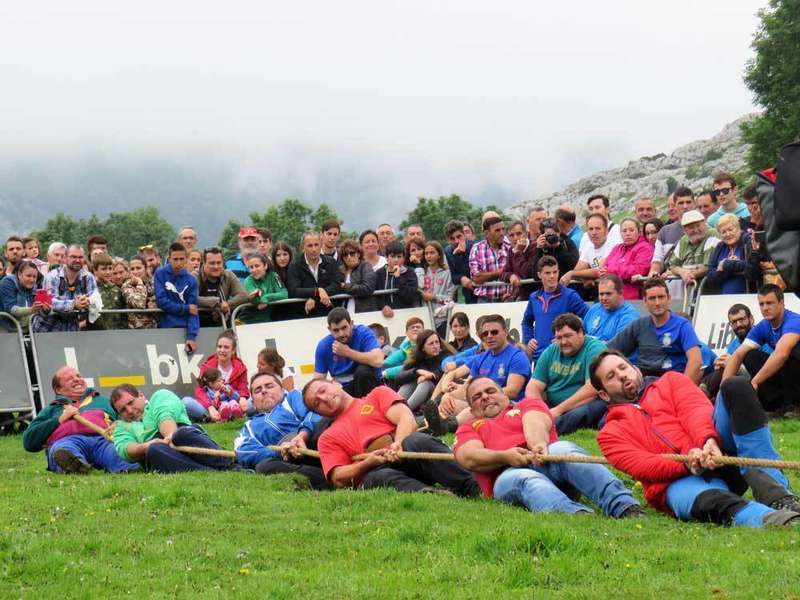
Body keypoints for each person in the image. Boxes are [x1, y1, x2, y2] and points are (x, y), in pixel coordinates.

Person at [591, 350, 800, 527]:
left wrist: (707, 442)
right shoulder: (609, 435)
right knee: (711, 503)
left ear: (635, 369)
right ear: (603, 395)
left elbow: (694, 409)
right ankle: (775, 519)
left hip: (719, 452)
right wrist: (688, 463)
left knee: (736, 386)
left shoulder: (672, 380)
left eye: (623, 367)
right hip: (679, 481)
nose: (622, 376)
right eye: (611, 376)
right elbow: (644, 465)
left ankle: (779, 498)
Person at [454, 376, 642, 517]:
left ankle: (624, 505)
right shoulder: (469, 427)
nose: (485, 397)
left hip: (548, 458)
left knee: (565, 450)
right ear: (471, 410)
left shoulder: (527, 404)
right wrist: (505, 457)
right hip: (506, 475)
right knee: (525, 477)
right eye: (477, 397)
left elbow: (535, 421)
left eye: (490, 391)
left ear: (503, 394)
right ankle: (576, 516)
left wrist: (537, 445)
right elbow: (469, 456)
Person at [303, 379, 480, 496]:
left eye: (323, 390)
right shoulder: (327, 438)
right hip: (376, 470)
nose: (323, 398)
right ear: (317, 412)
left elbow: (406, 419)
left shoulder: (377, 394)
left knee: (416, 440)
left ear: (335, 383)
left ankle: (473, 486)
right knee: (376, 479)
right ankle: (434, 496)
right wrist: (368, 463)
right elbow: (338, 477)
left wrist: (397, 444)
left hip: (406, 454)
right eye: (316, 402)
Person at [22, 367, 138, 474]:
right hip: (67, 441)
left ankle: (133, 466)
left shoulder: (105, 402)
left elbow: (129, 420)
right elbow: (29, 441)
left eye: (78, 376)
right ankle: (75, 465)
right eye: (69, 378)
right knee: (63, 450)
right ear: (58, 389)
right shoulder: (51, 409)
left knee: (119, 453)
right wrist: (60, 419)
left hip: (102, 440)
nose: (77, 380)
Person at [111, 384, 235, 473]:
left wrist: (169, 436)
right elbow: (125, 449)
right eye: (122, 410)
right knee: (154, 450)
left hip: (185, 438)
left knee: (180, 435)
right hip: (162, 455)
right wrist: (147, 445)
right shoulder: (121, 427)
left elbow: (164, 415)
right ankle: (211, 472)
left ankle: (231, 464)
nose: (129, 410)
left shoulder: (160, 396)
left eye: (131, 403)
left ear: (141, 395)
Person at [233, 372, 327, 488]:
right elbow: (244, 450)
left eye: (269, 386)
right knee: (263, 467)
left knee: (325, 422)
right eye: (257, 390)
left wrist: (302, 436)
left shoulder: (293, 397)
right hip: (287, 459)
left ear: (282, 389)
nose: (263, 391)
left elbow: (314, 411)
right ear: (253, 402)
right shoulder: (249, 427)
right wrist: (281, 452)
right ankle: (325, 478)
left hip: (313, 440)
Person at [722, 285, 800, 416]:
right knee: (750, 355)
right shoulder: (763, 326)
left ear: (781, 302)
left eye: (769, 303)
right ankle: (776, 406)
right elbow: (738, 355)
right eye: (761, 304)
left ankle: (795, 406)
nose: (765, 308)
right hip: (787, 375)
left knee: (791, 354)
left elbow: (781, 354)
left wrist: (755, 382)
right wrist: (723, 390)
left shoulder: (794, 321)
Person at [526, 314, 608, 434]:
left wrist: (557, 411)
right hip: (551, 407)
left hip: (583, 404)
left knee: (579, 414)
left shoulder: (595, 348)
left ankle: (546, 428)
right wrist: (540, 409)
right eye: (559, 338)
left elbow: (592, 388)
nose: (563, 342)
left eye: (568, 336)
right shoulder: (550, 351)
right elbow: (533, 386)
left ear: (581, 333)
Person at [609, 278, 702, 383]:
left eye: (661, 297)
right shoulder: (639, 325)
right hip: (642, 385)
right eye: (652, 298)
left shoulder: (682, 325)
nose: (657, 303)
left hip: (671, 383)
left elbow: (696, 361)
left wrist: (681, 389)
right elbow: (609, 351)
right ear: (645, 301)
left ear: (669, 298)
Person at [522, 256, 588, 362]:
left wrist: (568, 339)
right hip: (539, 357)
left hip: (562, 355)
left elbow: (589, 318)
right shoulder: (534, 297)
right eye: (547, 273)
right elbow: (526, 322)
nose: (552, 276)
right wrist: (528, 339)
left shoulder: (570, 295)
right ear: (539, 275)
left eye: (555, 272)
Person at [314, 307, 383, 397]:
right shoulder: (324, 345)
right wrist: (331, 385)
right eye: (336, 330)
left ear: (351, 324)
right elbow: (318, 380)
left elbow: (378, 361)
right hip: (343, 391)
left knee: (363, 372)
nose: (341, 334)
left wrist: (348, 352)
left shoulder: (363, 332)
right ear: (329, 329)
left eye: (344, 328)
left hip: (370, 387)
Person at [183, 330, 249, 422]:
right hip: (212, 405)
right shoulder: (207, 366)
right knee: (186, 402)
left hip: (233, 403)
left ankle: (223, 415)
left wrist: (242, 398)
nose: (222, 350)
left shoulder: (241, 367)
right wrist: (210, 408)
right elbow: (200, 391)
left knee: (251, 402)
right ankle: (222, 415)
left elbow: (243, 388)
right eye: (219, 347)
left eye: (226, 347)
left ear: (233, 350)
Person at [31, 244, 96, 333]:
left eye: (80, 257)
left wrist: (87, 302)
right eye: (73, 257)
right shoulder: (52, 276)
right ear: (65, 258)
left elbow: (95, 300)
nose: (77, 260)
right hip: (47, 328)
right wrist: (74, 304)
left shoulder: (88, 277)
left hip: (71, 330)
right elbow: (50, 302)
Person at [648, 187, 696, 296]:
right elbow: (657, 260)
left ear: (694, 204)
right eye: (681, 203)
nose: (685, 206)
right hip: (672, 290)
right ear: (675, 205)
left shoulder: (706, 229)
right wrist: (654, 271)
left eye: (688, 202)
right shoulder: (665, 231)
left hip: (697, 289)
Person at [153, 242, 199, 354]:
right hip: (166, 328)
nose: (178, 263)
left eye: (181, 259)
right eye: (175, 259)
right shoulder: (160, 274)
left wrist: (191, 336)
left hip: (186, 329)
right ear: (169, 259)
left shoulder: (192, 280)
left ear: (186, 259)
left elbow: (194, 310)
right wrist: (185, 309)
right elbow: (161, 302)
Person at [287, 231, 342, 318]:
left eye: (316, 245)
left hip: (328, 315)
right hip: (303, 316)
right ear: (303, 247)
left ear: (321, 245)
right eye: (310, 245)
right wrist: (317, 291)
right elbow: (293, 291)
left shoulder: (331, 262)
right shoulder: (295, 265)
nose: (314, 249)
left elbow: (336, 285)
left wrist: (315, 297)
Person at [559, 213, 614, 300]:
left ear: (606, 231)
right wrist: (585, 278)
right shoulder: (588, 247)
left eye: (598, 228)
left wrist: (571, 273)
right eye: (591, 229)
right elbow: (578, 270)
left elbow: (600, 271)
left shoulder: (612, 246)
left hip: (612, 293)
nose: (594, 232)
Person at [394, 330, 451, 412]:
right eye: (431, 344)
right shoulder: (417, 359)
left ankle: (404, 413)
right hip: (420, 394)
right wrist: (417, 371)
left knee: (425, 384)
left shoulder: (446, 356)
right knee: (409, 383)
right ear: (423, 348)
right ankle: (393, 409)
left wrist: (430, 376)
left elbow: (440, 373)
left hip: (438, 392)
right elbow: (398, 378)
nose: (435, 346)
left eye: (437, 342)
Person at [196, 246, 249, 326]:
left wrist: (227, 304)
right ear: (204, 262)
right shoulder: (194, 276)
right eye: (212, 263)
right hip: (198, 323)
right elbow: (191, 297)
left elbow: (243, 295)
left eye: (219, 263)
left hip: (223, 322)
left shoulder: (228, 275)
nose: (216, 266)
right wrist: (217, 303)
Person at [667, 209, 720, 290]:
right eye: (691, 227)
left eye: (698, 226)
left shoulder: (712, 234)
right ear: (684, 230)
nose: (696, 230)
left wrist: (689, 275)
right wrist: (682, 272)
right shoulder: (683, 240)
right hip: (689, 290)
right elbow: (673, 266)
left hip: (709, 291)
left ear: (704, 223)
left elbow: (708, 266)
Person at [602, 218, 653, 299]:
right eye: (624, 231)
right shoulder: (617, 248)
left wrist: (610, 271)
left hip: (634, 297)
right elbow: (603, 268)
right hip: (612, 296)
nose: (628, 233)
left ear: (639, 232)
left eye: (631, 230)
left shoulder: (645, 247)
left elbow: (637, 270)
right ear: (620, 233)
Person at [582, 275, 640, 342]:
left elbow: (619, 347)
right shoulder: (595, 309)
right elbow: (582, 335)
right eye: (601, 294)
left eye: (608, 294)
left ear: (620, 293)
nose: (604, 298)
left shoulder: (629, 316)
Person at [469, 216, 511, 302]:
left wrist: (486, 275)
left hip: (507, 299)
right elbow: (476, 278)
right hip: (485, 300)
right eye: (497, 230)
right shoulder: (477, 248)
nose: (502, 233)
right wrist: (502, 271)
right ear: (486, 233)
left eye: (503, 229)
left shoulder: (510, 246)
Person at [706, 214, 751, 294]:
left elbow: (752, 265)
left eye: (730, 230)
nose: (728, 234)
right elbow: (710, 275)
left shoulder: (747, 241)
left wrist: (726, 264)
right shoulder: (720, 246)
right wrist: (723, 270)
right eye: (723, 232)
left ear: (738, 228)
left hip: (747, 294)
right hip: (724, 297)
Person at [374, 240, 420, 317]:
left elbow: (410, 295)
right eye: (392, 256)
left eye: (399, 257)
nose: (396, 260)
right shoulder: (379, 273)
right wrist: (383, 306)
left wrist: (398, 278)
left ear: (404, 258)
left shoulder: (410, 272)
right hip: (385, 316)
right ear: (386, 257)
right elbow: (376, 296)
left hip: (406, 314)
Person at [0, 259, 48, 331]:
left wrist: (46, 309)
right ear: (19, 274)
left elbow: (37, 311)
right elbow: (11, 308)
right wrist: (31, 309)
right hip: (7, 328)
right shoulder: (7, 282)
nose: (32, 280)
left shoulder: (35, 285)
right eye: (28, 276)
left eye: (34, 277)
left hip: (29, 329)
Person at [531, 217, 579, 287]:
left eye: (554, 234)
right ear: (542, 235)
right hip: (548, 290)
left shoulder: (567, 243)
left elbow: (575, 266)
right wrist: (539, 250)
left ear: (559, 232)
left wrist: (559, 248)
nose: (552, 237)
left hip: (568, 287)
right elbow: (536, 275)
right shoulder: (541, 248)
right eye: (549, 235)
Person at [242, 253, 289, 323]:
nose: (254, 270)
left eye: (257, 266)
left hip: (267, 321)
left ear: (265, 266)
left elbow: (284, 294)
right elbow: (256, 301)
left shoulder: (273, 276)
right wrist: (256, 296)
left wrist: (267, 297)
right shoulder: (248, 281)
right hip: (247, 322)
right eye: (251, 267)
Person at [420, 241, 454, 335]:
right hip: (426, 318)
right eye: (426, 253)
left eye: (432, 253)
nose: (428, 256)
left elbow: (450, 299)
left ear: (439, 255)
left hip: (443, 319)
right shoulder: (422, 273)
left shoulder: (447, 273)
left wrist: (434, 297)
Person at [498, 221, 536, 301]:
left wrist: (518, 252)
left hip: (535, 295)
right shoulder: (511, 250)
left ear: (525, 234)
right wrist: (510, 276)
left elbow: (527, 273)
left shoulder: (534, 247)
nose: (515, 238)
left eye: (518, 234)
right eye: (511, 235)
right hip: (520, 297)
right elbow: (503, 274)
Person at [338, 239, 377, 313]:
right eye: (345, 254)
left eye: (352, 253)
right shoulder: (340, 270)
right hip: (343, 313)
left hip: (363, 311)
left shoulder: (365, 266)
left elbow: (368, 288)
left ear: (358, 254)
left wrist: (345, 286)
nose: (349, 257)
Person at [382, 317, 425, 382]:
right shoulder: (404, 349)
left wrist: (386, 373)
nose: (415, 329)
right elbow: (385, 364)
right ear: (406, 333)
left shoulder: (429, 345)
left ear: (424, 331)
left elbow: (411, 366)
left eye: (418, 327)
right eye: (412, 327)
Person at [88, 252, 125, 330]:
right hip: (96, 334)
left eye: (110, 268)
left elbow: (123, 315)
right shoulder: (90, 290)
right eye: (103, 269)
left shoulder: (117, 290)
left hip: (116, 333)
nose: (108, 272)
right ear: (95, 270)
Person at [121, 256, 159, 329]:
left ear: (145, 269)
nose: (135, 272)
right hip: (135, 331)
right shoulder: (126, 285)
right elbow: (139, 304)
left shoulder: (152, 284)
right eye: (132, 269)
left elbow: (156, 305)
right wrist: (139, 283)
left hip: (154, 329)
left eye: (138, 268)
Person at [443, 220, 476, 304]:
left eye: (459, 236)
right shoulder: (448, 251)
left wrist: (464, 252)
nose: (456, 241)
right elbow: (454, 276)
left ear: (464, 235)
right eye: (452, 238)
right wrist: (461, 278)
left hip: (483, 290)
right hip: (468, 294)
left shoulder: (475, 246)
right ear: (447, 240)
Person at [270, 241, 297, 321]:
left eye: (285, 254)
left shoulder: (297, 270)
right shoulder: (270, 274)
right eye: (278, 255)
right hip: (275, 316)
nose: (282, 258)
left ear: (290, 255)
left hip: (296, 314)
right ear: (274, 257)